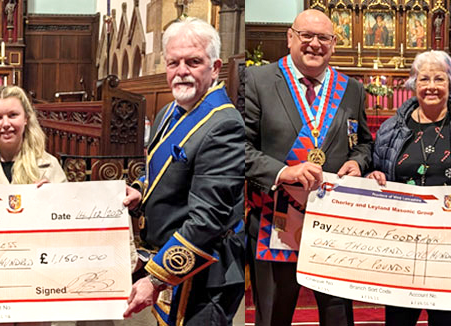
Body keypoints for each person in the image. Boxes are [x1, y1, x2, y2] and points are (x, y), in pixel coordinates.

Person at [238, 9, 373, 326]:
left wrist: (357, 161)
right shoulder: (258, 80)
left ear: (334, 43)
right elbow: (239, 148)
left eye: (323, 37)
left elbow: (365, 143)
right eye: (306, 36)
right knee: (274, 316)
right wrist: (282, 173)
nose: (315, 44)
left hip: (333, 223)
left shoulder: (351, 89)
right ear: (290, 37)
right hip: (276, 222)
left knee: (337, 313)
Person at [364, 50, 451, 326]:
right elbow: (374, 170)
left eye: (439, 79)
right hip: (402, 246)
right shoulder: (390, 128)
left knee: (447, 321)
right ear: (413, 84)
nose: (431, 86)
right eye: (424, 79)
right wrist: (372, 177)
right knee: (398, 319)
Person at [121, 17, 248, 326]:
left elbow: (208, 220)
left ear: (215, 67)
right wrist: (140, 188)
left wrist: (154, 279)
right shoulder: (170, 110)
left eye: (193, 62)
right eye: (173, 63)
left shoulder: (225, 125)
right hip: (174, 263)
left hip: (206, 275)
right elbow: (165, 171)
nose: (181, 72)